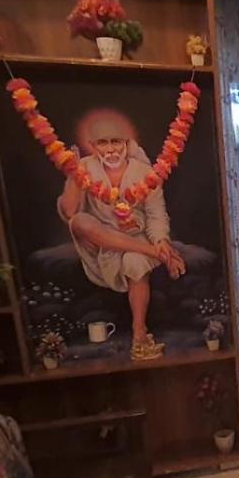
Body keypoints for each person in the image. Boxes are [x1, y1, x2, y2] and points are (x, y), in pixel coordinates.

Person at [57, 108, 186, 360]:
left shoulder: (144, 171)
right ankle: (155, 253)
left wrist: (160, 240)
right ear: (93, 145)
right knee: (80, 221)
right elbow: (70, 212)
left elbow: (156, 214)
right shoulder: (84, 167)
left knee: (135, 261)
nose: (110, 150)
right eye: (103, 143)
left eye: (115, 142)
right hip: (101, 242)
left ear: (126, 143)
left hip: (137, 237)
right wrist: (73, 176)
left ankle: (139, 333)